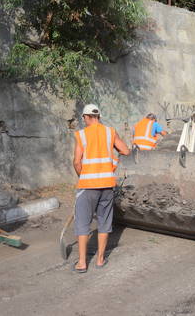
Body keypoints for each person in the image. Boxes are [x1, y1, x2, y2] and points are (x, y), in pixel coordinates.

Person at [72, 104, 129, 273]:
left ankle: (82, 263)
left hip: (88, 186)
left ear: (86, 117)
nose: (83, 120)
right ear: (98, 116)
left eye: (83, 118)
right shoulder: (110, 132)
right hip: (106, 186)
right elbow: (125, 151)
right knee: (104, 222)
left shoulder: (81, 135)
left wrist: (83, 177)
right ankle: (100, 259)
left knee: (83, 223)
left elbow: (76, 162)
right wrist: (113, 162)